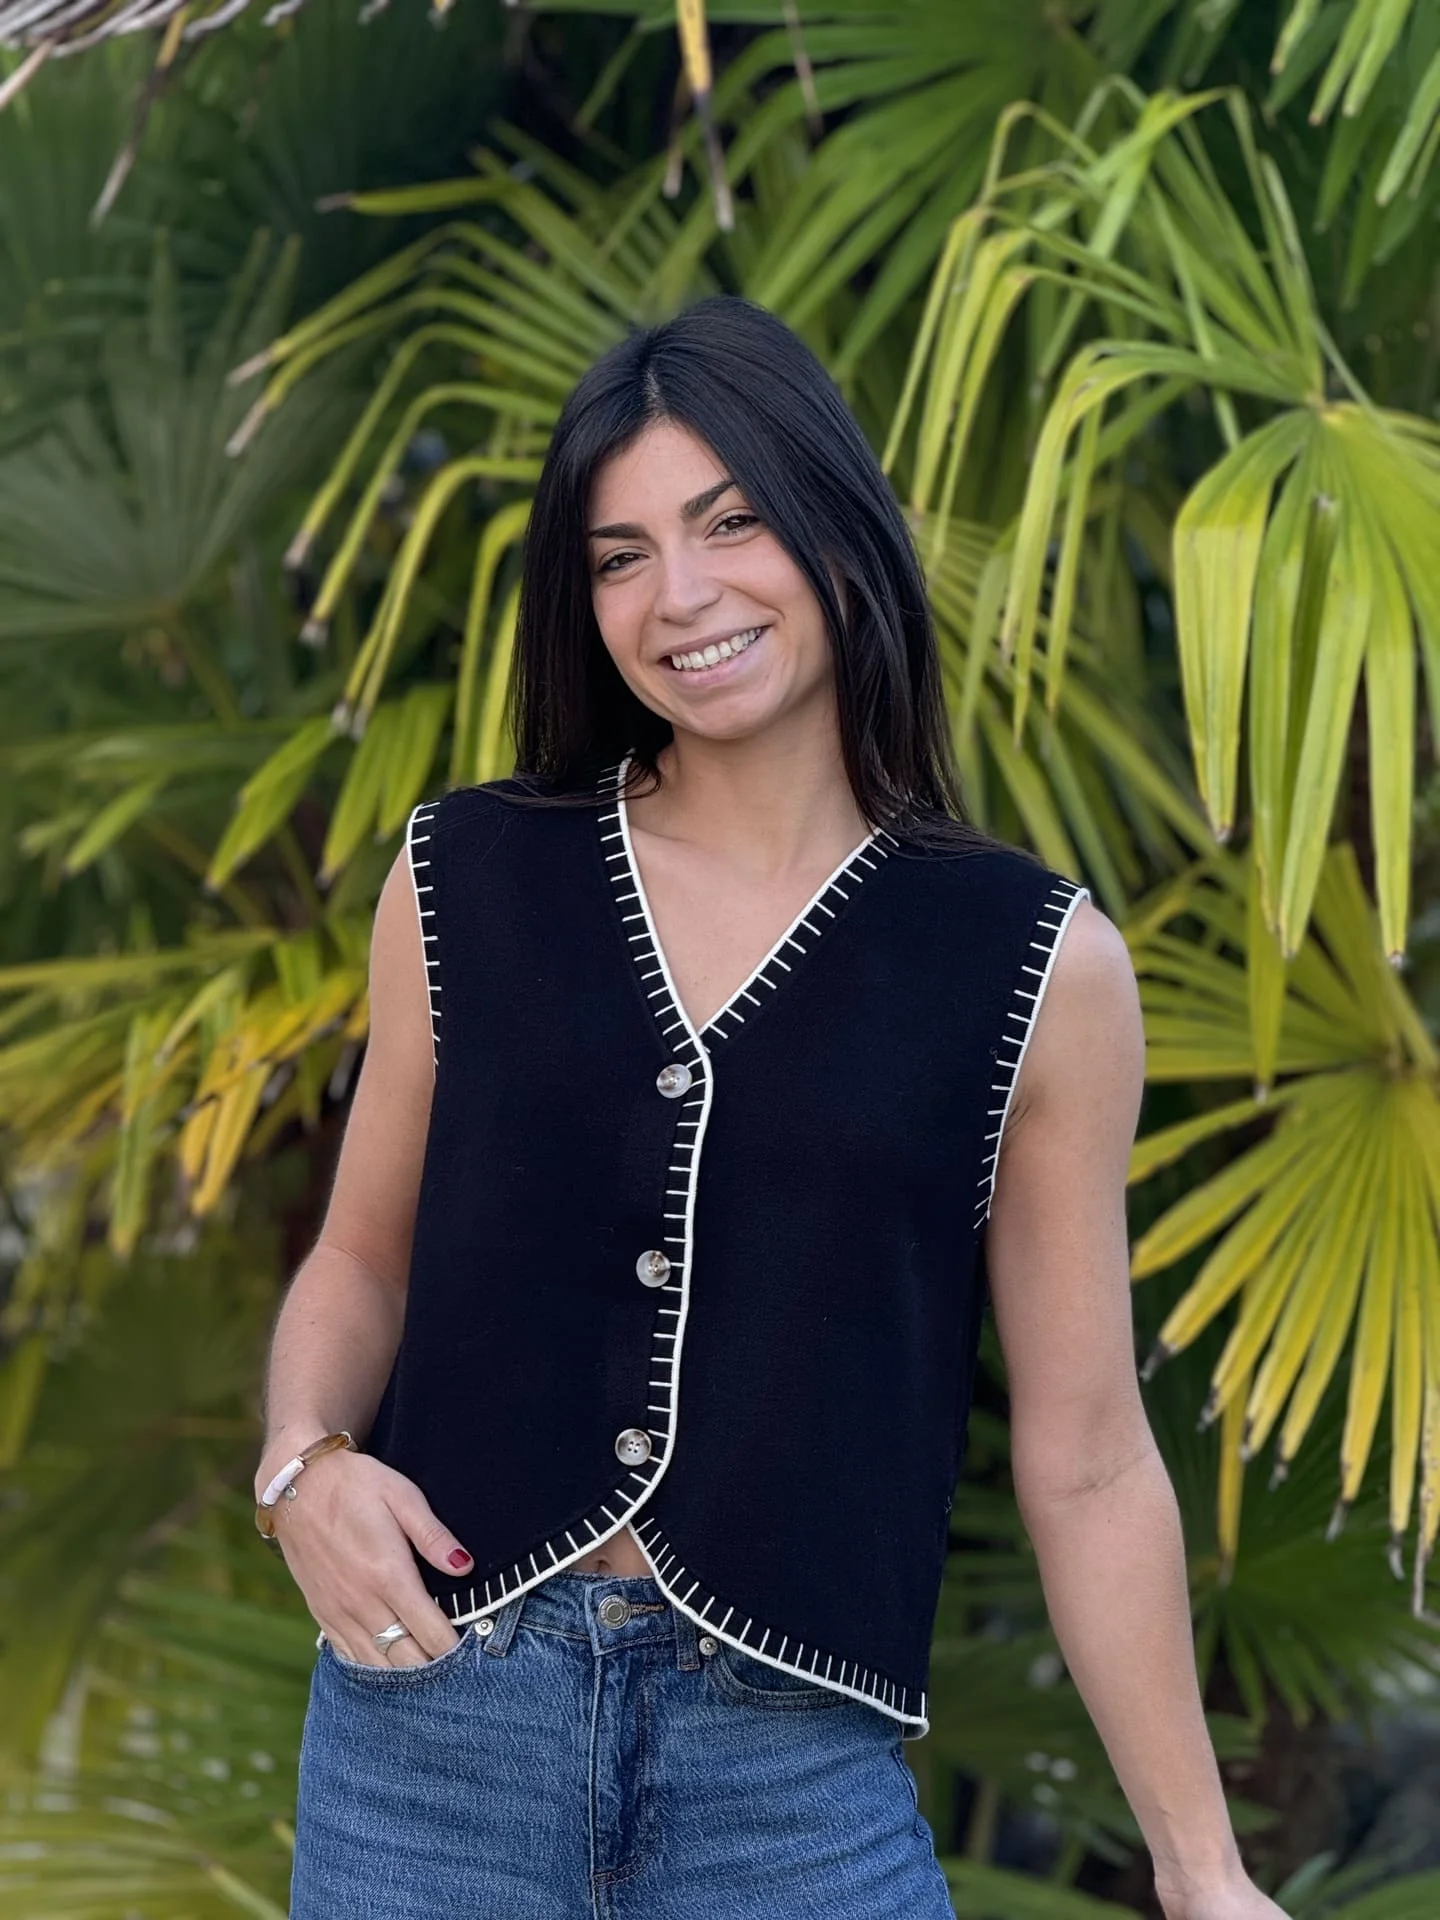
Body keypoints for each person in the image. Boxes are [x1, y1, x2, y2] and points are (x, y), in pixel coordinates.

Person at [259, 295, 1287, 1919]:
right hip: (430, 1738)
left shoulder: (1035, 966)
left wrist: (1204, 1870)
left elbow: (1089, 1458)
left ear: (835, 529)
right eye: (620, 555)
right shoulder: (464, 876)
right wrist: (301, 1462)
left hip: (792, 1789)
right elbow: (361, 1259)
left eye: (731, 522)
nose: (681, 595)